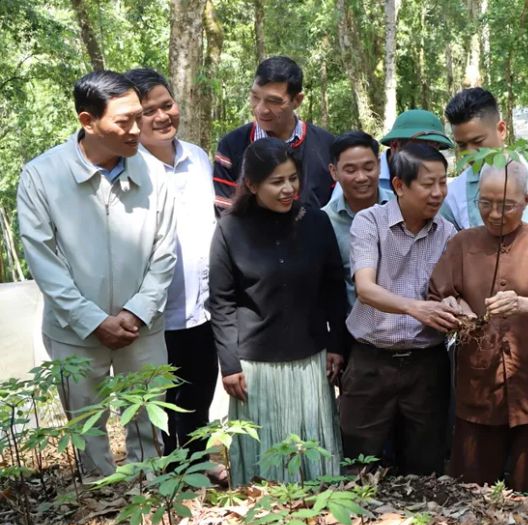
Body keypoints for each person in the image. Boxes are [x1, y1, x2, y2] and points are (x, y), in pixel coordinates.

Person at [17, 71, 176, 476]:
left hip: (142, 326)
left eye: (138, 117)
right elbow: (44, 261)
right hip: (74, 330)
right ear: (88, 121)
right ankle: (101, 500)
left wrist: (138, 311)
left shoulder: (155, 175)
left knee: (149, 421)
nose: (137, 129)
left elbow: (164, 251)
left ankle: (151, 496)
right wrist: (91, 320)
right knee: (87, 427)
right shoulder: (41, 176)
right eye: (124, 121)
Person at [207, 138, 347, 486]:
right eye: (277, 182)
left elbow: (334, 289)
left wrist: (338, 345)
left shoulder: (316, 222)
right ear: (251, 185)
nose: (288, 189)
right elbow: (221, 302)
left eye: (293, 178)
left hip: (310, 361)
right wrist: (229, 365)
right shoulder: (229, 229)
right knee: (263, 459)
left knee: (313, 452)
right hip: (256, 368)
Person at [428, 161, 528, 492]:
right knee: (470, 491)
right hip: (478, 384)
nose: (494, 214)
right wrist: (453, 306)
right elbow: (439, 294)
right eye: (485, 203)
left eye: (506, 205)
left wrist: (522, 303)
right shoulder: (463, 243)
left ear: (527, 200)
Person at [340, 143, 459, 476]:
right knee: (359, 463)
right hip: (370, 362)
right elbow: (365, 289)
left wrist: (451, 306)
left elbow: (448, 291)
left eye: (443, 182)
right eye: (427, 183)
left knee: (425, 466)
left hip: (426, 366)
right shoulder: (370, 222)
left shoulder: (448, 233)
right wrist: (416, 309)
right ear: (399, 186)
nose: (438, 193)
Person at [125, 68, 220, 467]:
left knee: (199, 396)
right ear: (133, 118)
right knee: (159, 404)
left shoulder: (198, 158)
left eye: (167, 105)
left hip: (203, 309)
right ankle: (166, 477)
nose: (163, 116)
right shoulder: (129, 171)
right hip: (155, 315)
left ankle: (195, 467)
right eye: (149, 111)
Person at [442, 87, 528, 252]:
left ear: (501, 130)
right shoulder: (453, 195)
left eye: (477, 141)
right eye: (462, 145)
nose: (470, 153)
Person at [213, 56, 335, 213]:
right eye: (255, 97)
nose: (261, 109)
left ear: (297, 100)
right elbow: (226, 214)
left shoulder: (326, 146)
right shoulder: (231, 146)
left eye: (274, 101)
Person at [323, 131, 396, 308]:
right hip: (351, 329)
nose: (361, 177)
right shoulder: (324, 221)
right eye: (350, 170)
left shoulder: (402, 207)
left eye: (368, 168)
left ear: (379, 165)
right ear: (334, 172)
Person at [331, 109, 455, 201]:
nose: (427, 158)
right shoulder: (359, 178)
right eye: (419, 151)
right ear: (395, 146)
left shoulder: (438, 189)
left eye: (434, 151)